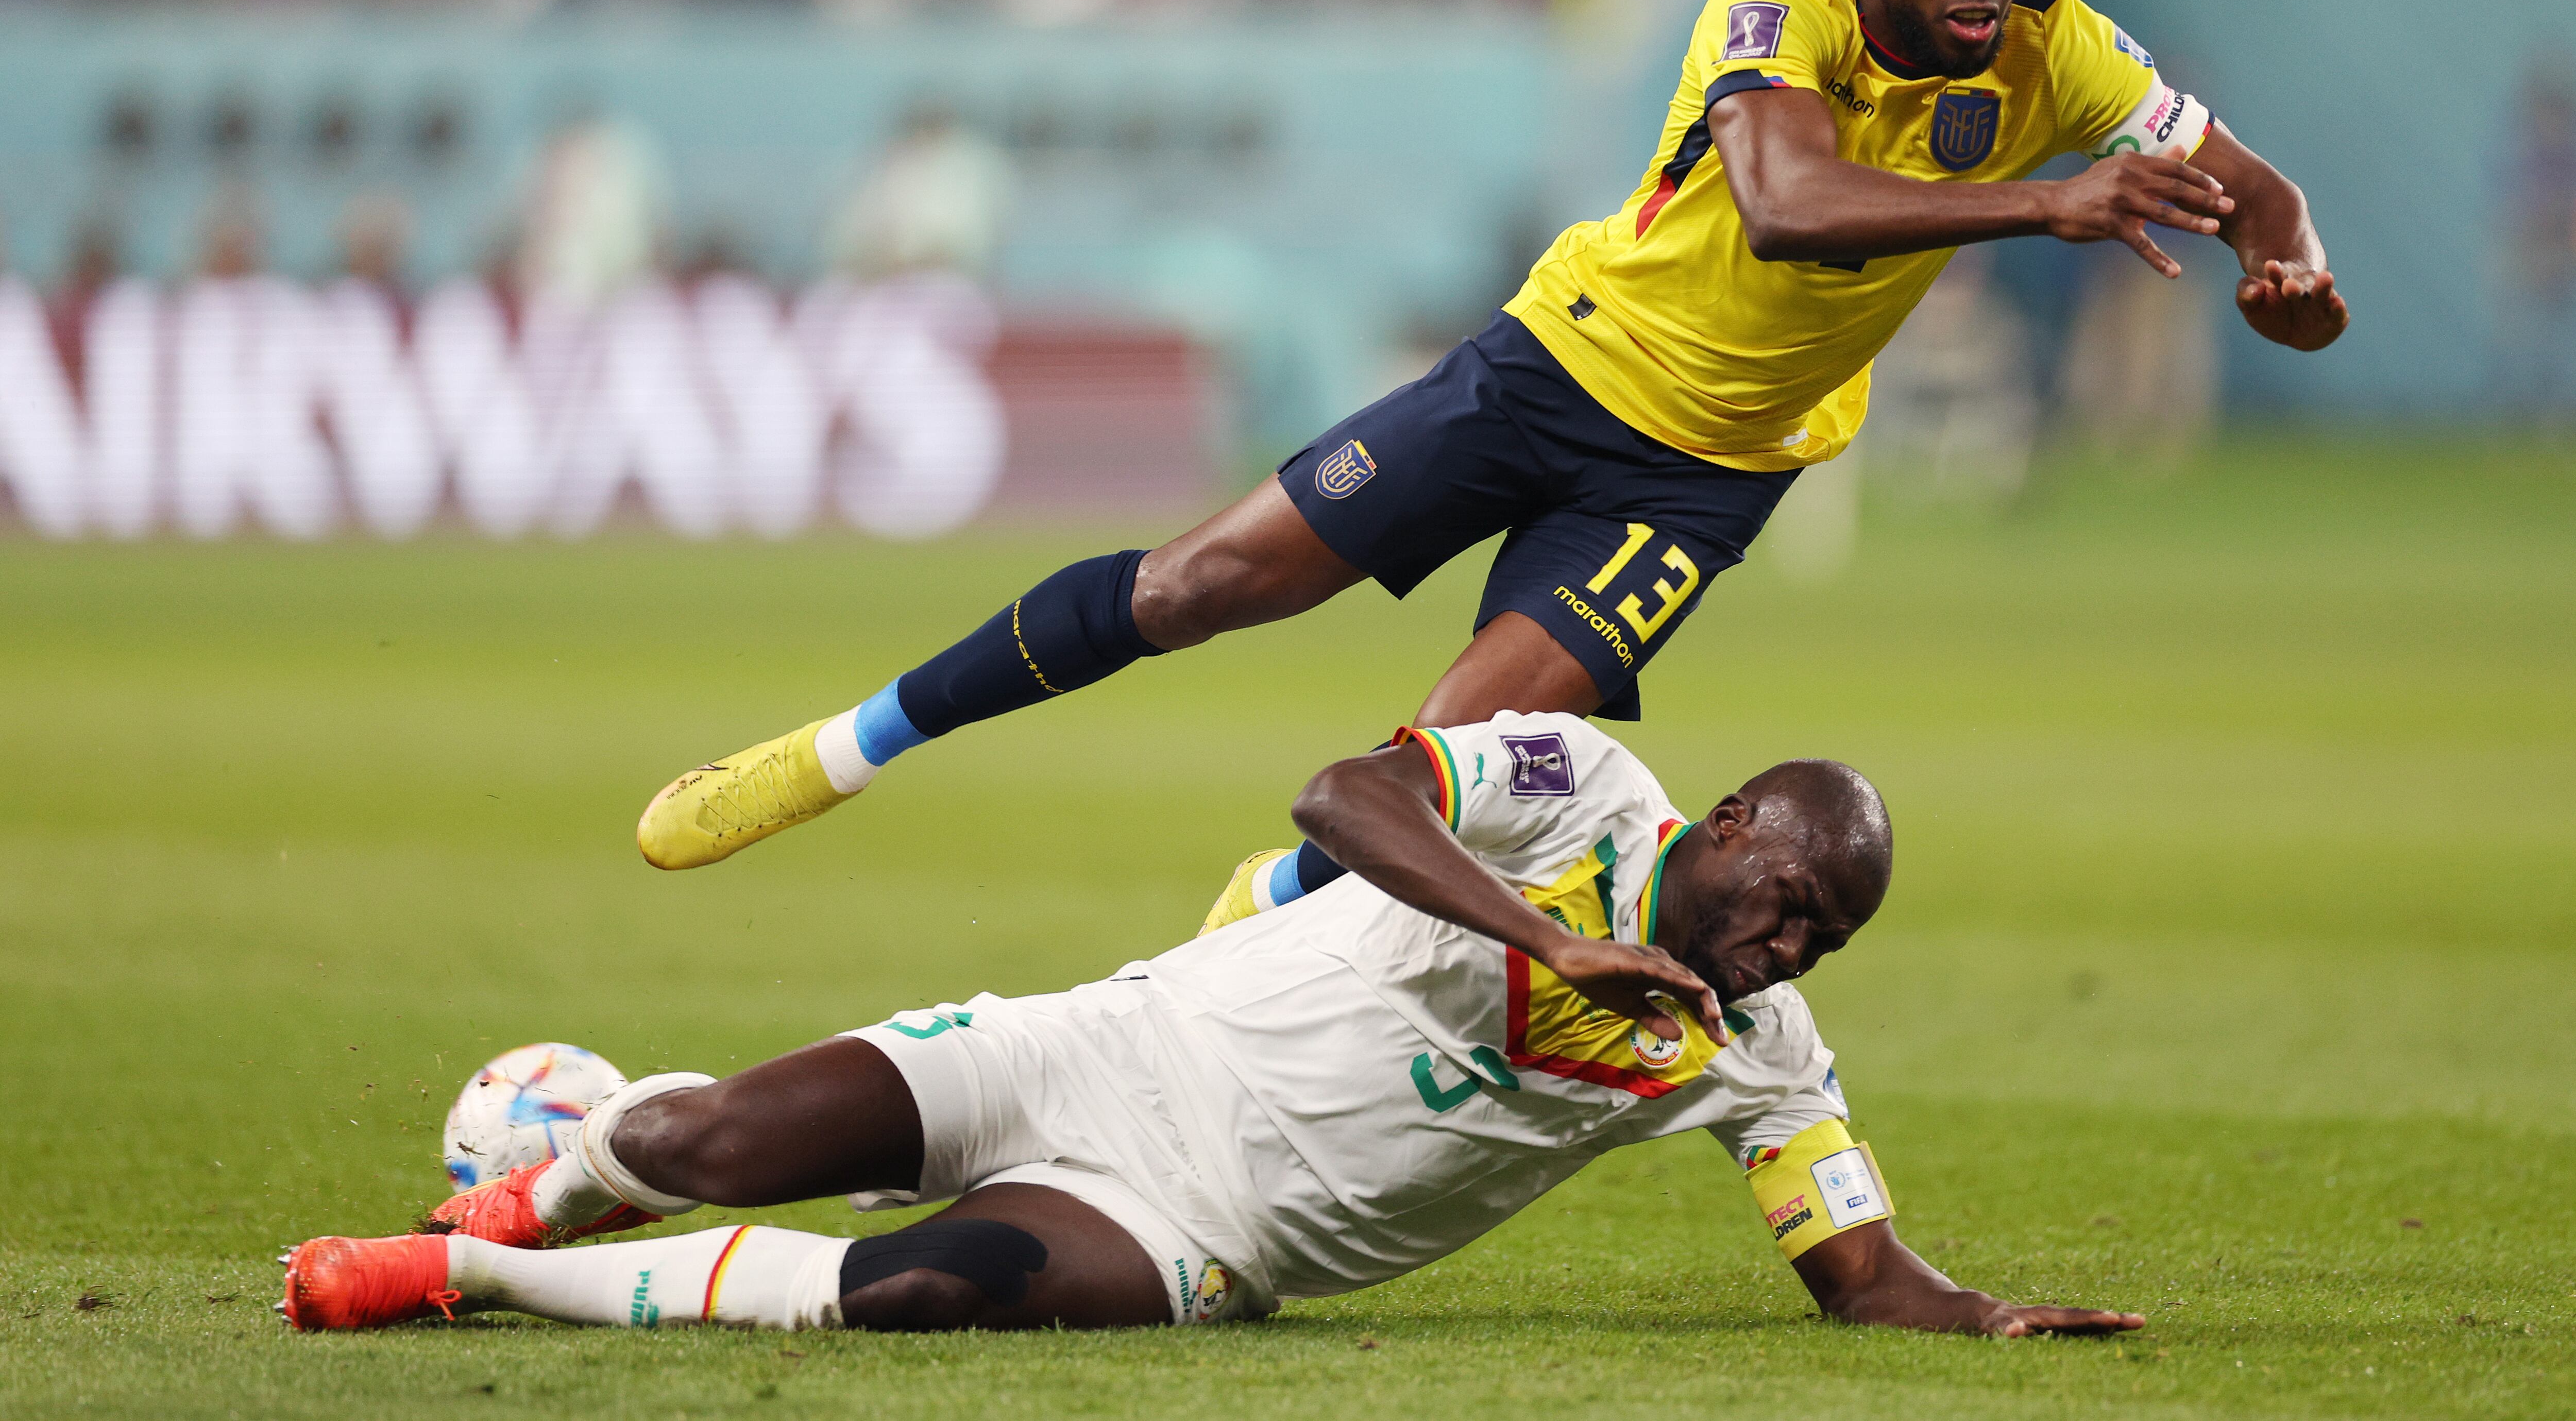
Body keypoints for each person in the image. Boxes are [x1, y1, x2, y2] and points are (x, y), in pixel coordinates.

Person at [632, 0, 2346, 879]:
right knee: (1195, 589)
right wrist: (2038, 208)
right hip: (1558, 369)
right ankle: (842, 750)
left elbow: (2256, 185)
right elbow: (1785, 205)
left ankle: (1229, 951)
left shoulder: (2063, 46)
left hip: (1709, 478)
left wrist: (2293, 270)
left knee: (1429, 786)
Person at [284, 715, 2140, 1341]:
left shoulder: (1761, 1053)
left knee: (908, 1303)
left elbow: (1856, 1265)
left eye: (1828, 937)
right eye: (1788, 896)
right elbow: (1344, 793)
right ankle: (548, 1187)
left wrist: (1978, 1314)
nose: (1789, 944)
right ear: (1727, 825)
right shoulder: (1576, 787)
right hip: (1110, 1046)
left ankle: (463, 1276)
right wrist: (1545, 950)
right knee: (699, 1147)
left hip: (1202, 1232)